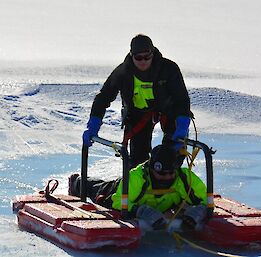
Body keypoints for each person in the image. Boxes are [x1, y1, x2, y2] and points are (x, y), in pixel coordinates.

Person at [83, 34, 192, 168]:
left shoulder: (169, 69)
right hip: (138, 115)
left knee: (171, 157)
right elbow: (104, 97)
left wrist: (182, 126)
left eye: (147, 57)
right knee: (138, 163)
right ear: (131, 55)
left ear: (153, 53)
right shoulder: (123, 72)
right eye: (138, 58)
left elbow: (182, 99)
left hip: (170, 114)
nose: (143, 61)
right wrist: (93, 124)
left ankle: (170, 182)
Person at [69, 144, 207, 230]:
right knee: (98, 189)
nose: (167, 177)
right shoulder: (137, 177)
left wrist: (199, 210)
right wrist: (140, 211)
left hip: (160, 208)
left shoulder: (184, 178)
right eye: (161, 174)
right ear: (152, 169)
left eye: (171, 173)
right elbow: (118, 202)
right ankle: (77, 182)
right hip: (115, 192)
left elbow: (206, 199)